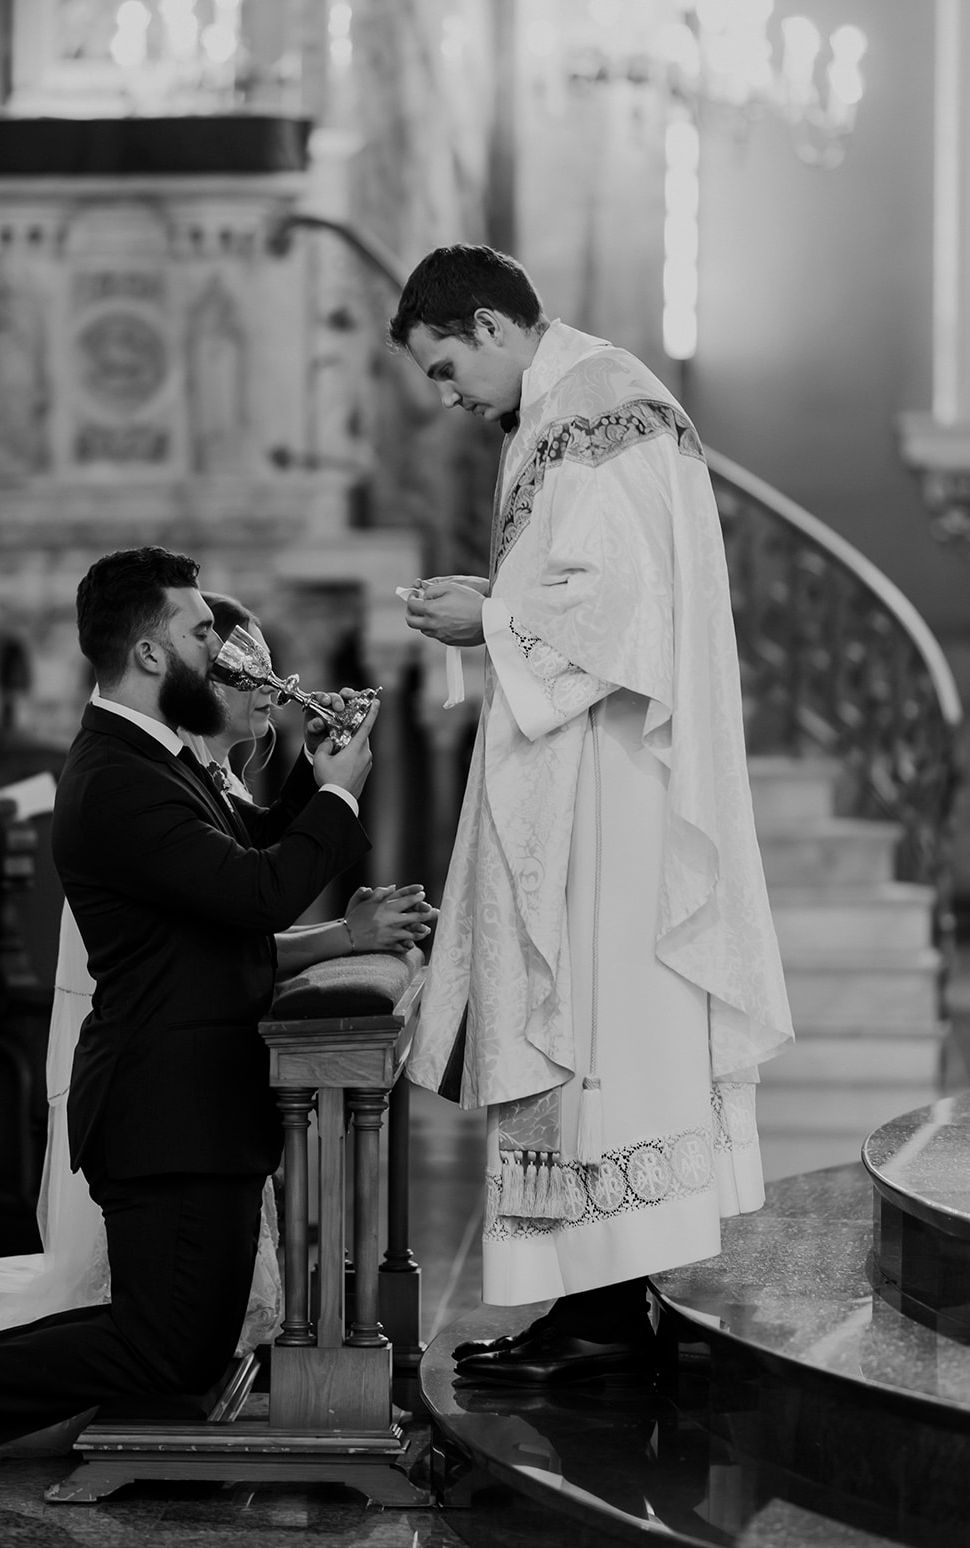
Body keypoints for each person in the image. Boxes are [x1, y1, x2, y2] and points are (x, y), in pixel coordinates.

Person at [390, 245, 792, 1385]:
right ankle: (599, 1298)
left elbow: (624, 612)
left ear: (490, 324)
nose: (443, 392)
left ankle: (605, 1313)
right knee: (591, 1032)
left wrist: (491, 617)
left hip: (610, 786)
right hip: (579, 762)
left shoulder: (600, 416)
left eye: (443, 364)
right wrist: (500, 616)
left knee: (598, 1025)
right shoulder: (564, 409)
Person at [0, 546, 378, 1457]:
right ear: (151, 654)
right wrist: (340, 806)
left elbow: (242, 859)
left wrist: (317, 783)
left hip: (195, 1097)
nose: (222, 648)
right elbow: (257, 896)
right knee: (162, 1346)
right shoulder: (116, 775)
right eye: (202, 630)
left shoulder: (161, 757)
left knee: (174, 1346)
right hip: (165, 1104)